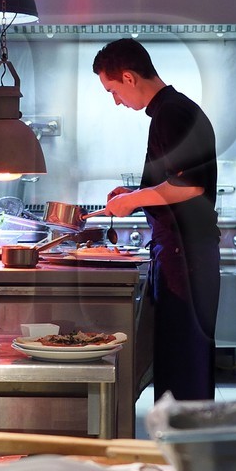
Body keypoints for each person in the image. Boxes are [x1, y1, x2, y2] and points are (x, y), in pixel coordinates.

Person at [91, 39, 219, 402]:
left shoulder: (173, 112)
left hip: (187, 257)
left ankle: (187, 451)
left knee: (186, 362)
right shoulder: (167, 111)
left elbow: (190, 185)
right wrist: (132, 192)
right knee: (176, 359)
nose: (116, 100)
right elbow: (174, 180)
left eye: (113, 90)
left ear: (129, 78)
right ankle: (176, 447)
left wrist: (134, 199)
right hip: (178, 254)